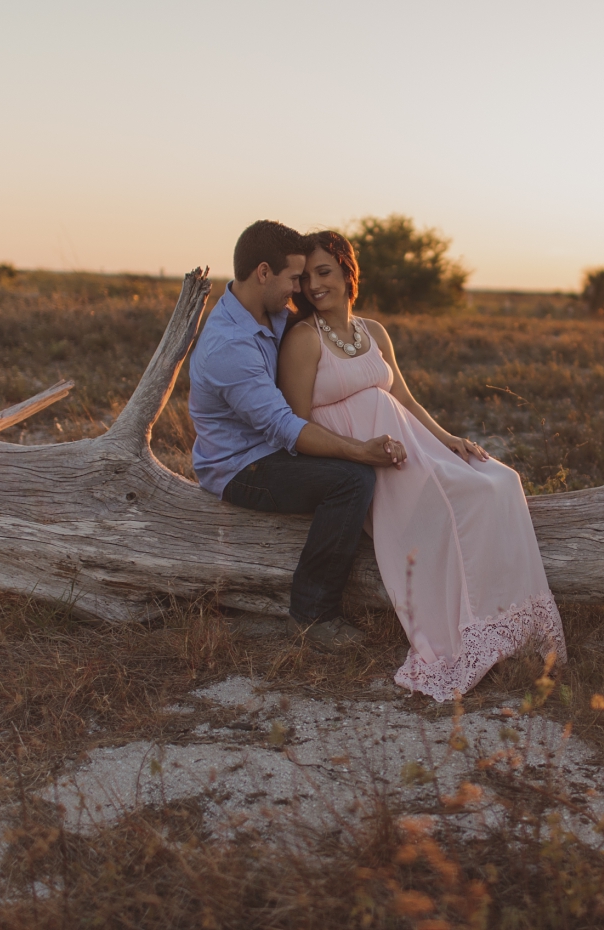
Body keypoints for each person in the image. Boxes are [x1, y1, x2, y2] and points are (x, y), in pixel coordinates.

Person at [277, 230, 566, 700]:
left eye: (324, 272)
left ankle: (509, 629)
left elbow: (403, 398)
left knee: (502, 482)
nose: (313, 286)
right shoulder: (303, 341)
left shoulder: (374, 331)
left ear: (348, 273)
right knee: (471, 500)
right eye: (306, 277)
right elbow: (297, 423)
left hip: (412, 447)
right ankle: (467, 637)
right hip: (367, 461)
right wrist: (358, 452)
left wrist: (449, 440)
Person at [189, 220, 407, 653]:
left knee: (355, 472)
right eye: (294, 278)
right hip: (241, 466)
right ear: (264, 273)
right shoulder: (229, 347)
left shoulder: (269, 314)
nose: (300, 289)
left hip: (269, 448)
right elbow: (284, 426)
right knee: (351, 480)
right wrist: (357, 451)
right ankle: (312, 614)